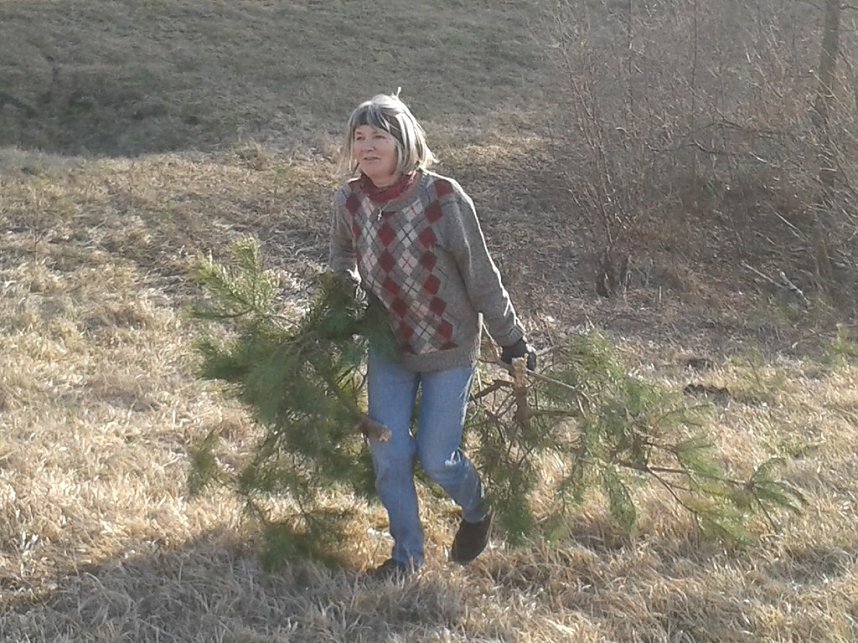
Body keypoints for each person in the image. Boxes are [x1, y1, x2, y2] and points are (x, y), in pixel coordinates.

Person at [328, 91, 537, 579]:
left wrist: (513, 341)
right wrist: (345, 294)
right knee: (388, 451)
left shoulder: (442, 197)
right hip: (390, 347)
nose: (367, 146)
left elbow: (480, 275)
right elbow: (341, 256)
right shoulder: (349, 200)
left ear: (404, 141)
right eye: (359, 137)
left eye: (379, 136)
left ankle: (478, 508)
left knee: (438, 457)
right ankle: (407, 559)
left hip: (449, 345)